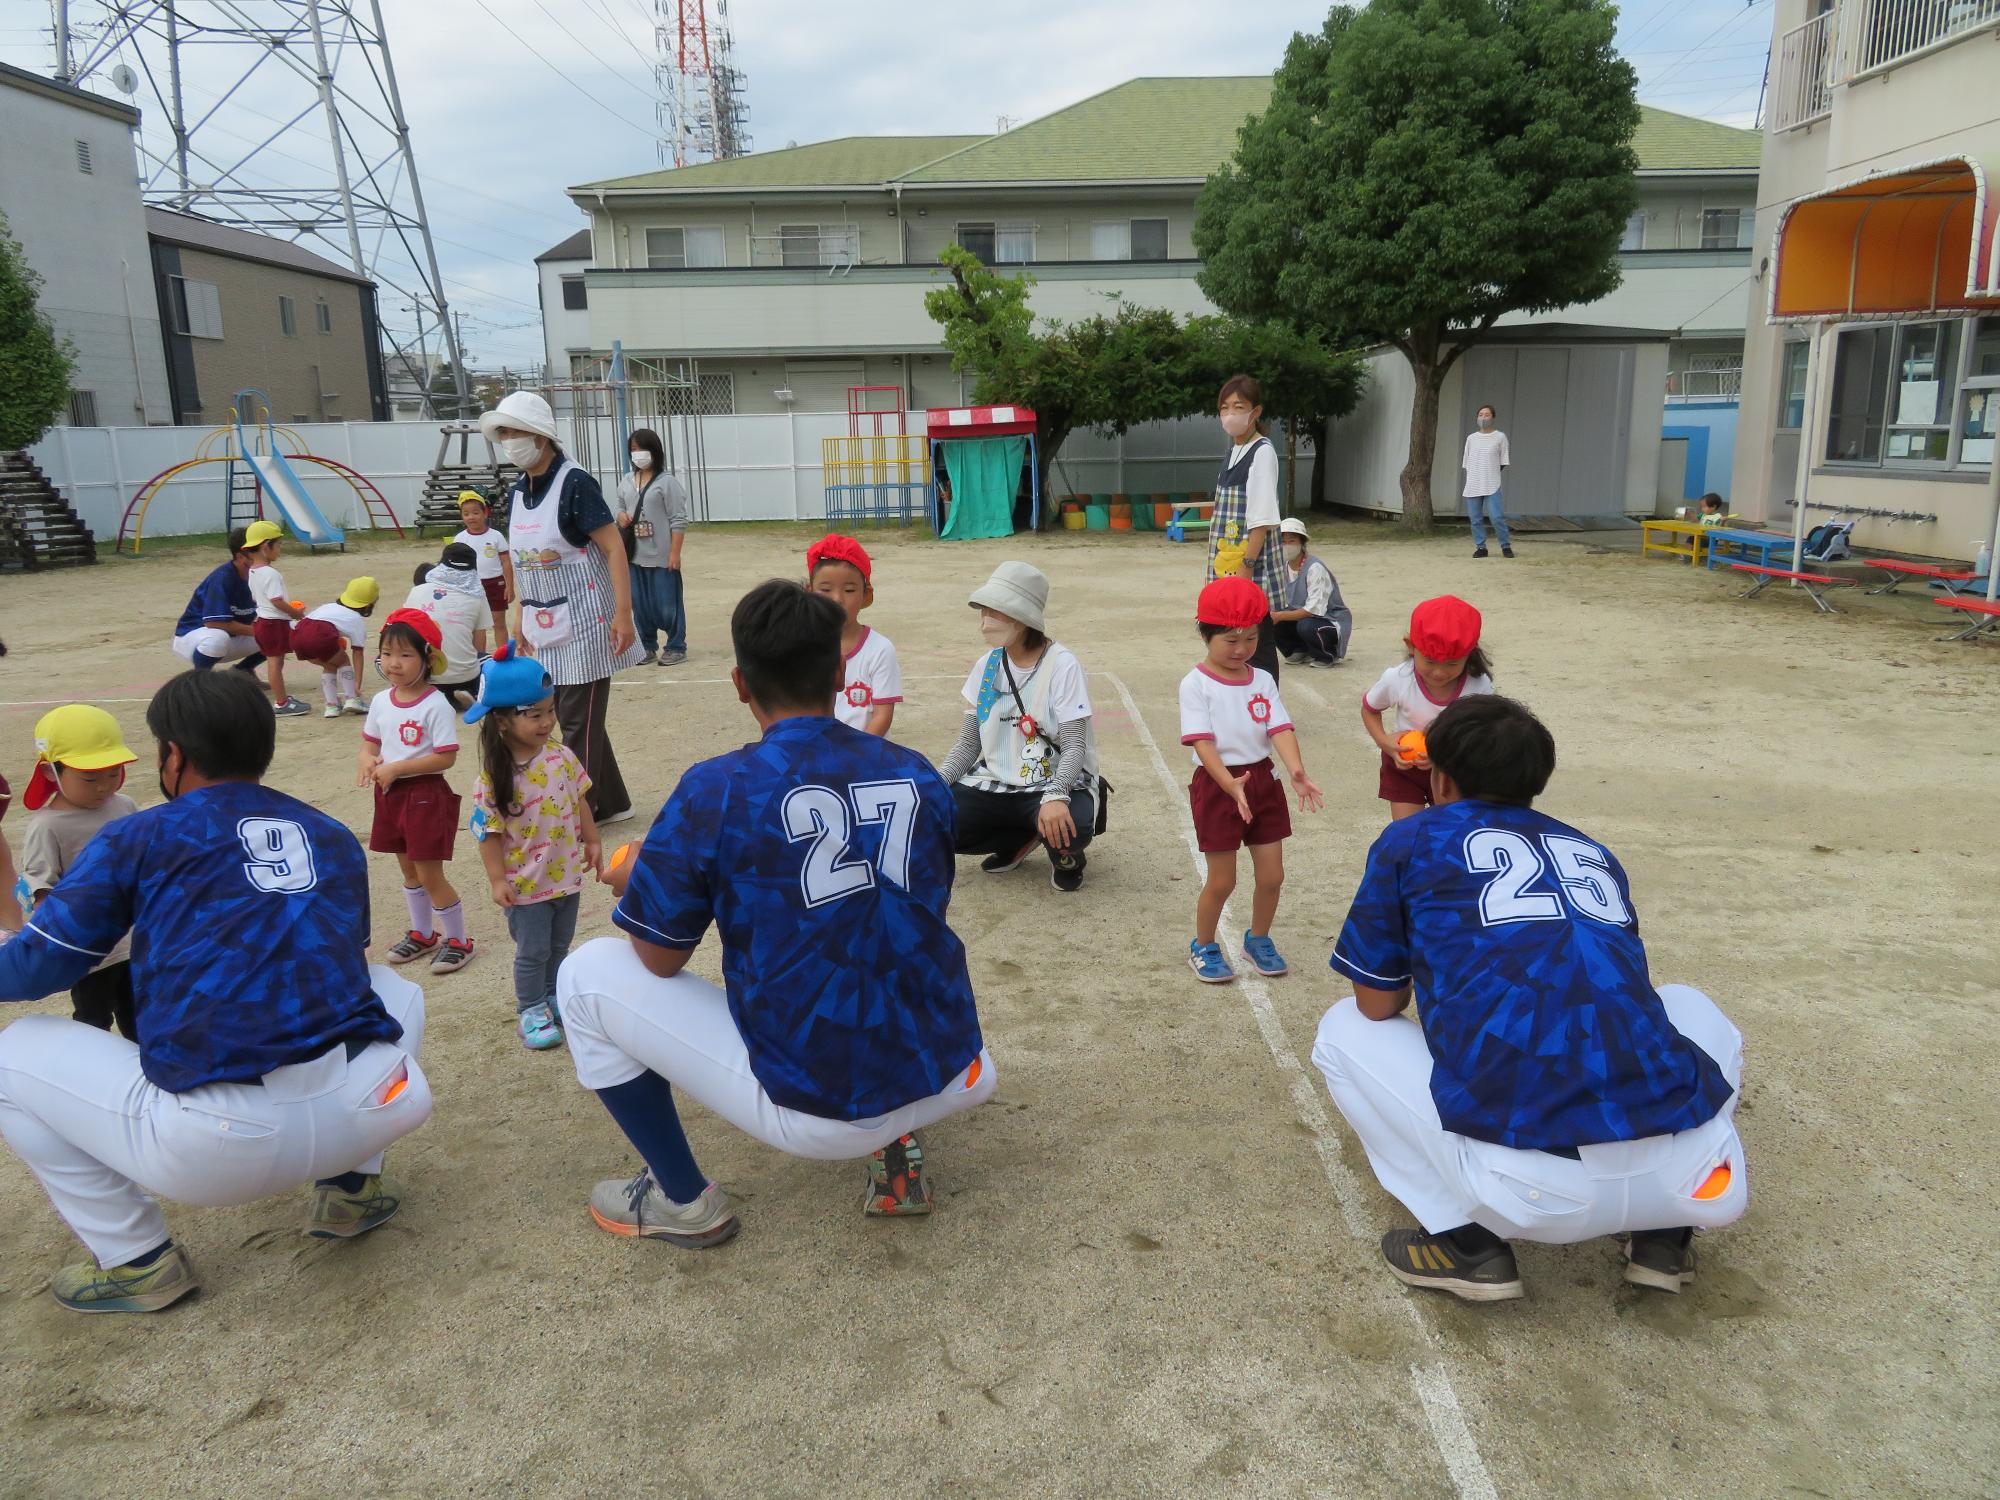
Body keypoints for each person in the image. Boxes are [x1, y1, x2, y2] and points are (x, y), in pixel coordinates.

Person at [557, 581, 995, 1244]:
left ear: (740, 683)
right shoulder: (917, 771)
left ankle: (682, 1200)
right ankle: (898, 1141)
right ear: (841, 672)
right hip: (957, 1065)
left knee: (585, 975)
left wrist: (639, 880)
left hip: (823, 1108)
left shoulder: (715, 788)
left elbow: (658, 956)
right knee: (878, 938)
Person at [0, 669, 432, 1314]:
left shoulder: (136, 834)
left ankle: (138, 1260)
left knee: (17, 1052)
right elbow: (346, 956)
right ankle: (350, 1187)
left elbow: (35, 972)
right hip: (377, 1103)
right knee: (392, 989)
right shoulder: (329, 832)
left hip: (217, 1146)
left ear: (173, 755)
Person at [1312, 695, 1746, 1302]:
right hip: (1697, 1180)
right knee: (1684, 1001)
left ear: (1439, 777)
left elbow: (1378, 1004)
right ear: (1536, 780)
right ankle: (1662, 1236)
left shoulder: (1411, 839)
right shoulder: (1590, 849)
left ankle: (1467, 1244)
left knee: (1342, 1029)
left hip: (1529, 1194)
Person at [481, 391, 641, 826]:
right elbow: (524, 561)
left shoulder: (575, 484)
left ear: (540, 435)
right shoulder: (518, 493)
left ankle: (577, 812)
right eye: (504, 434)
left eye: (514, 432)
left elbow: (614, 550)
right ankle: (612, 803)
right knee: (580, 717)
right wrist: (519, 619)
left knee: (573, 721)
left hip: (589, 622)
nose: (509, 441)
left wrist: (622, 614)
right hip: (542, 620)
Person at [1180, 578, 1325, 984]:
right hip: (1217, 784)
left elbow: (1278, 726)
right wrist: (1228, 784)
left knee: (1273, 875)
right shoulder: (1195, 684)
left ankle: (1257, 938)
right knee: (1223, 879)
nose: (1241, 649)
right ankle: (1203, 945)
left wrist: (1295, 769)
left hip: (1262, 780)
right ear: (1205, 633)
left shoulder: (1261, 678)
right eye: (1230, 640)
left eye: (1250, 638)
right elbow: (1202, 742)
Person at [936, 562, 1100, 893]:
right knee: (936, 817)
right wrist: (935, 784)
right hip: (996, 781)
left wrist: (1056, 795)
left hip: (1052, 782)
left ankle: (1066, 857)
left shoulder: (1062, 664)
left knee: (1072, 825)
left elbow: (1073, 745)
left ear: (1023, 620)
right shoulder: (986, 666)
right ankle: (1020, 838)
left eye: (996, 611)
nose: (985, 621)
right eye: (984, 611)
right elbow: (969, 744)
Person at [467, 644, 600, 1052]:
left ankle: (553, 996)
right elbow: (487, 833)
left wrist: (592, 839)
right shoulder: (494, 777)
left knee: (559, 945)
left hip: (566, 875)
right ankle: (530, 1008)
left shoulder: (560, 756)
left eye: (550, 710)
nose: (547, 721)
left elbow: (579, 799)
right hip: (525, 885)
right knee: (533, 950)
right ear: (503, 721)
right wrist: (496, 880)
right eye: (535, 714)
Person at [358, 609, 473, 975]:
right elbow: (369, 743)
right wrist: (368, 760)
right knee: (407, 869)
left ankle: (458, 940)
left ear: (427, 658)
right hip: (390, 795)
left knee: (428, 873)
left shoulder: (435, 703)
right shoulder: (380, 701)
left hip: (424, 796)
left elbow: (446, 757)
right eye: (388, 653)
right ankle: (423, 933)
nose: (394, 663)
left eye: (406, 655)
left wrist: (395, 768)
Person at [18, 706, 140, 1039]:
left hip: (136, 944)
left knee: (142, 1024)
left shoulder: (125, 806)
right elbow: (41, 888)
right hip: (89, 953)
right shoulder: (47, 825)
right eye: (89, 778)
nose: (103, 786)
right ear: (49, 773)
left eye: (112, 773)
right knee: (93, 1023)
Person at [1360, 596, 1495, 822]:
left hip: (1453, 770)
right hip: (1404, 766)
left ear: (1469, 653)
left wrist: (1446, 755)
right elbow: (1370, 709)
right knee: (1407, 831)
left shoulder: (1478, 685)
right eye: (1430, 661)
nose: (1440, 672)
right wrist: (1384, 742)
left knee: (1449, 830)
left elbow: (1482, 734)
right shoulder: (1398, 678)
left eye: (1452, 663)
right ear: (1411, 646)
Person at [1208, 374, 1287, 681]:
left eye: (1238, 406)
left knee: (1259, 637)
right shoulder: (1234, 451)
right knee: (1234, 634)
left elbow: (1262, 518)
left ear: (1256, 412)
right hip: (1228, 560)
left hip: (1249, 563)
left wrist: (1247, 566)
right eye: (1224, 407)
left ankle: (1267, 709)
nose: (1230, 414)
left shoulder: (1262, 452)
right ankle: (1243, 697)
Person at [808, 534, 900, 737]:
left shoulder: (880, 649)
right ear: (809, 592)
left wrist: (855, 756)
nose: (837, 599)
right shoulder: (802, 646)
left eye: (849, 590)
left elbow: (882, 716)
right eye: (825, 589)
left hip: (865, 758)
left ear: (866, 594)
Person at [615, 428, 690, 668]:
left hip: (661, 555)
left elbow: (678, 519)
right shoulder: (626, 480)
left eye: (641, 449)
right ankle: (646, 646)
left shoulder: (667, 483)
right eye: (633, 450)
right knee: (640, 604)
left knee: (668, 604)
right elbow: (618, 505)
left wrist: (674, 554)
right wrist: (621, 516)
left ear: (654, 451)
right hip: (634, 555)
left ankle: (676, 646)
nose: (637, 454)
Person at [169, 524, 270, 674]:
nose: (265, 553)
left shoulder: (261, 575)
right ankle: (201, 679)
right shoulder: (223, 578)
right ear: (241, 556)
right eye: (257, 550)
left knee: (286, 630)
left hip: (233, 637)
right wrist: (258, 631)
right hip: (195, 636)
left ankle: (243, 671)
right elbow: (214, 622)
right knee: (218, 639)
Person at [402, 542, 493, 710]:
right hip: (464, 677)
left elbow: (405, 631)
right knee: (488, 659)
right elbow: (479, 642)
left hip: (425, 675)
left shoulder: (418, 591)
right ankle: (471, 692)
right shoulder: (477, 595)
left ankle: (419, 691)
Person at [244, 523, 310, 715]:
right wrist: (295, 613)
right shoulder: (271, 574)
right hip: (273, 623)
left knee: (277, 661)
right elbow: (277, 601)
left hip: (263, 621)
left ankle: (282, 698)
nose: (279, 550)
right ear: (266, 547)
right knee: (275, 662)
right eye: (278, 545)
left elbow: (257, 598)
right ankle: (281, 703)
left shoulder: (253, 571)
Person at [1272, 518, 1352, 668]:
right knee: (1272, 621)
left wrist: (1279, 616)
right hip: (1301, 617)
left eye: (1292, 541)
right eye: (1283, 541)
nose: (1286, 546)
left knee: (1305, 625)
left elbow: (1314, 609)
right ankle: (1298, 650)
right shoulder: (1282, 567)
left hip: (1328, 619)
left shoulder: (1315, 568)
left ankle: (1327, 654)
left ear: (1302, 543)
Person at [294, 576, 378, 718]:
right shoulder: (355, 619)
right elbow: (357, 652)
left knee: (330, 665)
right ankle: (352, 698)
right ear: (369, 605)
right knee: (343, 661)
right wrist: (357, 683)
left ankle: (332, 706)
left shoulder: (328, 606)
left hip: (298, 636)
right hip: (319, 635)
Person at [453, 490, 515, 621]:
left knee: (498, 623)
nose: (471, 517)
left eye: (475, 513)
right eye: (466, 514)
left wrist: (510, 586)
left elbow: (506, 562)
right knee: (476, 626)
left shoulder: (496, 536)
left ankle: (501, 643)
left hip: (495, 584)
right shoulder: (460, 538)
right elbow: (455, 566)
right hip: (470, 584)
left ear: (485, 513)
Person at [1462, 404, 1513, 559]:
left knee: (1496, 517)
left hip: (1492, 484)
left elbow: (1503, 461)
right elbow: (1467, 462)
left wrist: (1490, 473)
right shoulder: (1471, 438)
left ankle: (1505, 546)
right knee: (1475, 518)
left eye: (1487, 415)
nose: (1483, 418)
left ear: (1493, 417)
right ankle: (1481, 547)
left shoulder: (1500, 437)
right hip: (1473, 484)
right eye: (1481, 414)